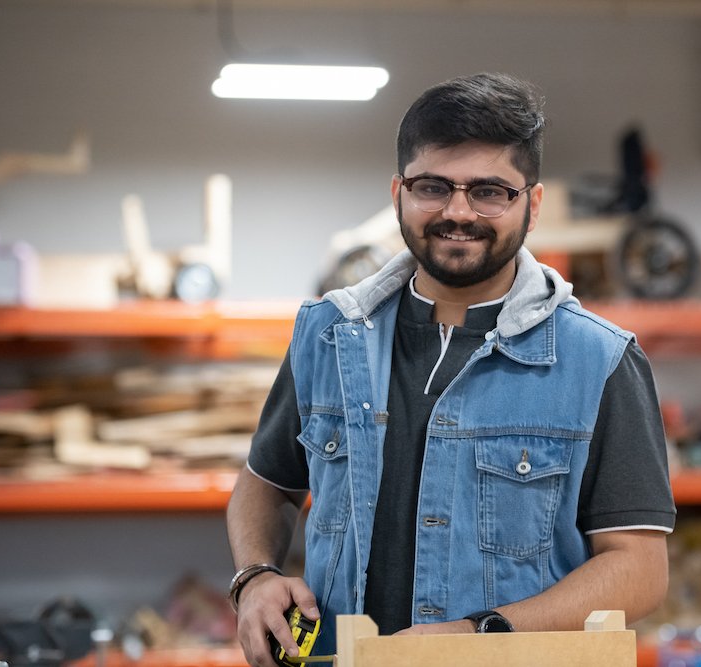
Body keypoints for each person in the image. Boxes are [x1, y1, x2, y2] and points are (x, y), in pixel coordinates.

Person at [226, 72, 675, 666]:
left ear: (533, 205)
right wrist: (255, 576)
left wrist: (480, 635)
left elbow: (638, 568)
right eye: (433, 186)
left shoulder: (600, 360)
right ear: (398, 194)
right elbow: (266, 482)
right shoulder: (329, 334)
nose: (458, 211)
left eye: (489, 191)